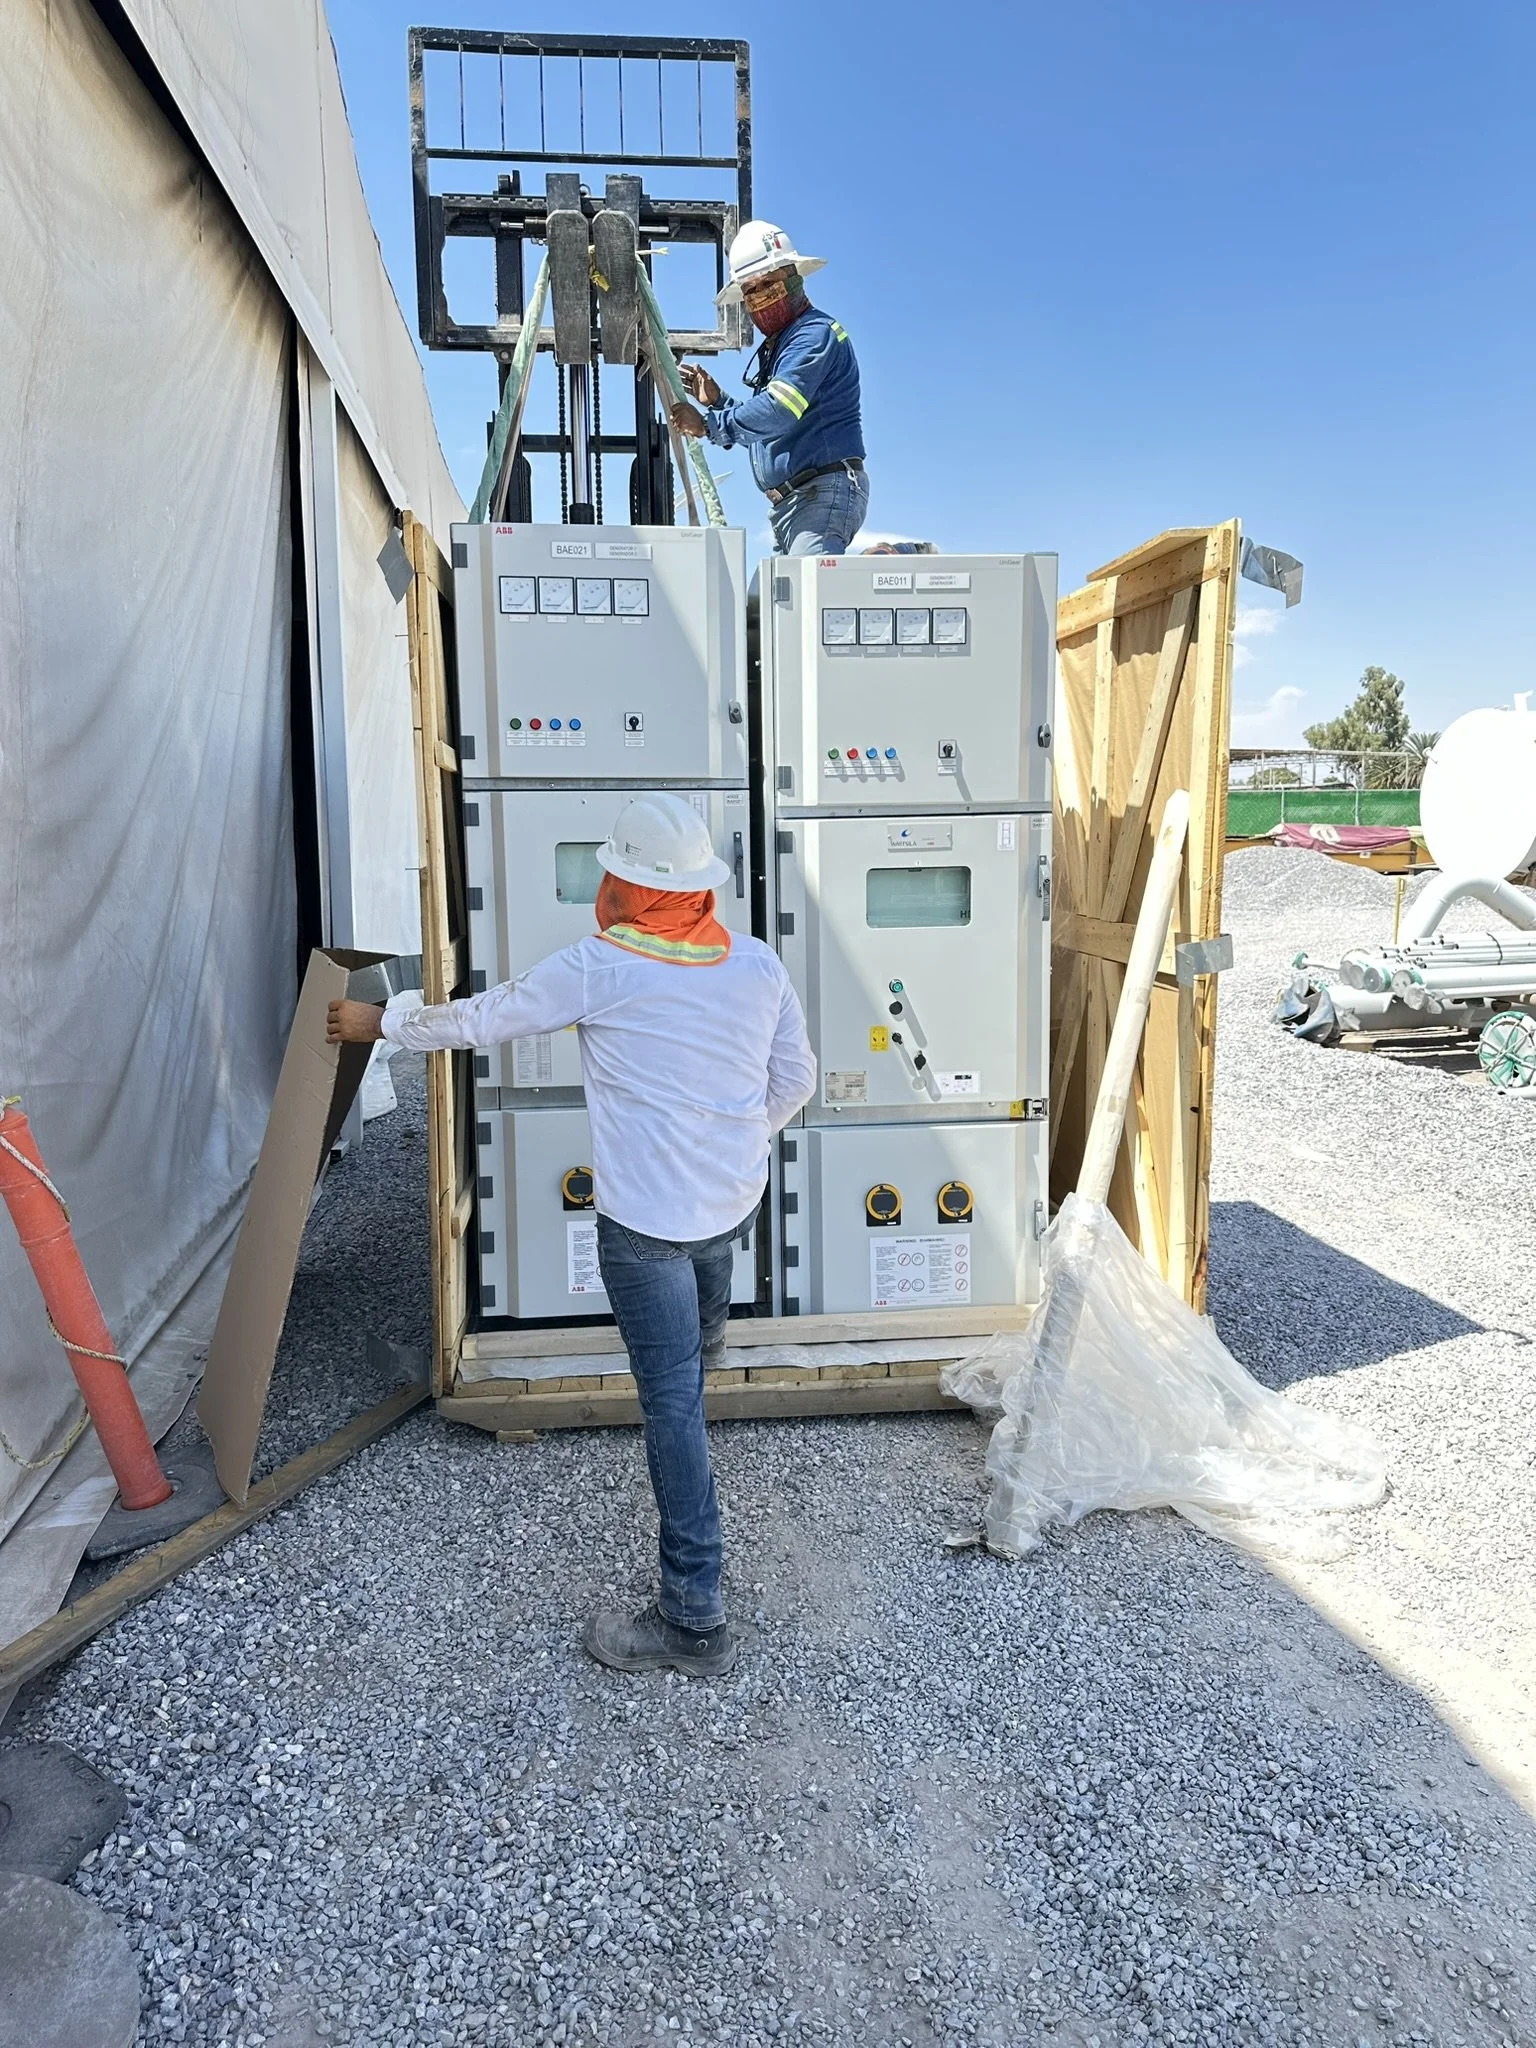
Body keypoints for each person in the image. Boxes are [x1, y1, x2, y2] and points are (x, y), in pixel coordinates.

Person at [327, 793, 816, 1678]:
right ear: (698, 888)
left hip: (646, 1228)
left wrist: (381, 1022)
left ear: (626, 882)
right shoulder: (754, 965)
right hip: (727, 1207)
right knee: (693, 1363)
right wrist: (736, 1145)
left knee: (669, 1401)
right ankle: (693, 1436)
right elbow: (797, 1079)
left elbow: (484, 1018)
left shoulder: (604, 965)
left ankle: (693, 1620)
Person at [668, 219, 868, 556]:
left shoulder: (813, 334)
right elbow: (770, 433)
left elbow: (778, 410)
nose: (761, 298)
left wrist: (706, 425)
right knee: (769, 606)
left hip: (820, 496)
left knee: (807, 603)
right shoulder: (784, 346)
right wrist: (718, 402)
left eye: (769, 285)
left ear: (794, 278)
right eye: (750, 291)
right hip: (797, 504)